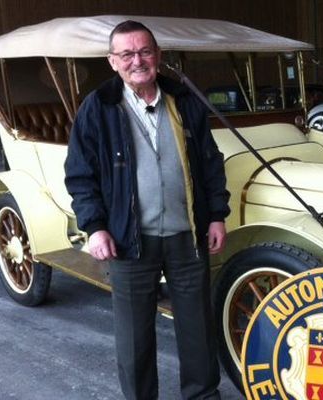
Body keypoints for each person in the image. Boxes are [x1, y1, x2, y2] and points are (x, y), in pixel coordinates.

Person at [64, 20, 230, 400]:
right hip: (127, 239)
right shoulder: (98, 106)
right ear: (112, 61)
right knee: (134, 335)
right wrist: (95, 227)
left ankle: (203, 395)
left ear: (157, 56)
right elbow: (80, 174)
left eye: (144, 52)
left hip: (187, 235)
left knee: (198, 329)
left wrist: (217, 214)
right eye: (126, 54)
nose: (136, 60)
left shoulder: (183, 100)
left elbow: (209, 161)